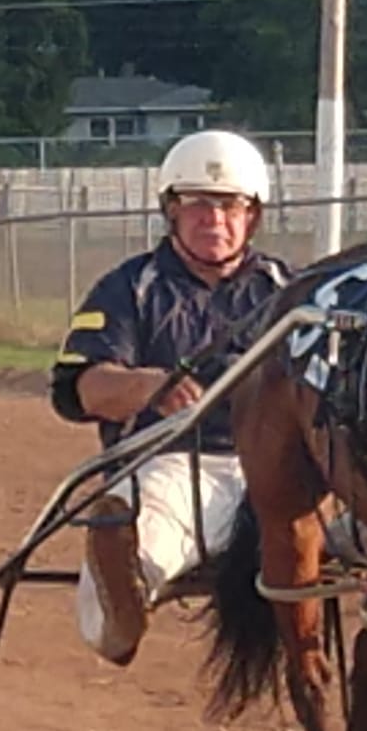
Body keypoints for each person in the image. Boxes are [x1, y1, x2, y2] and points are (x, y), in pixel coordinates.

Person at [49, 129, 292, 666]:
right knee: (146, 526)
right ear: (172, 211)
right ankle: (118, 611)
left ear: (252, 215)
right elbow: (82, 388)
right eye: (198, 204)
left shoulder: (285, 291)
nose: (214, 220)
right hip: (172, 464)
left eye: (230, 205)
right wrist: (145, 385)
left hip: (275, 471)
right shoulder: (129, 288)